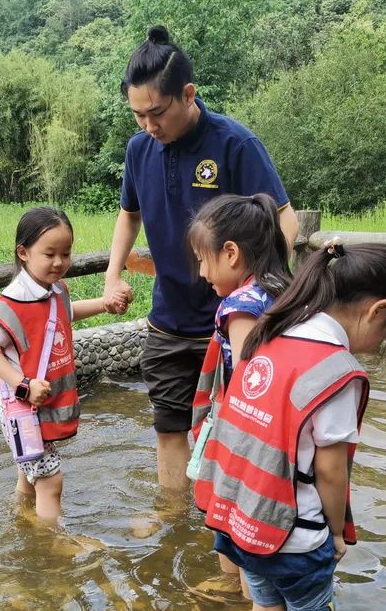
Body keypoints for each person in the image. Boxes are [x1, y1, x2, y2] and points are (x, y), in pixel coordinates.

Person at [194, 240, 386, 611]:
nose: (381, 345)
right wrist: (336, 535)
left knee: (266, 608)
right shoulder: (335, 370)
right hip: (295, 534)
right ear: (378, 310)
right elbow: (332, 471)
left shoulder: (270, 334)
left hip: (243, 520)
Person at [103, 24, 299, 490]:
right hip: (169, 319)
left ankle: (226, 522)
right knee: (169, 428)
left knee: (240, 428)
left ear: (188, 94)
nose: (149, 126)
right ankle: (173, 520)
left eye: (156, 113)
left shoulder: (234, 144)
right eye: (138, 116)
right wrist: (113, 274)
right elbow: (128, 215)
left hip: (235, 321)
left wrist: (257, 290)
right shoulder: (139, 150)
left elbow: (285, 221)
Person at [0, 206, 112, 522]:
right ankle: (51, 549)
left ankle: (21, 520)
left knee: (30, 475)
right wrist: (22, 384)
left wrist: (105, 305)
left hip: (40, 404)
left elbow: (67, 311)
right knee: (51, 481)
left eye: (65, 253)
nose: (59, 262)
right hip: (19, 406)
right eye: (49, 253)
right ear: (23, 252)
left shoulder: (55, 291)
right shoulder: (10, 304)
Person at [186, 193, 291, 582]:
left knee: (228, 509)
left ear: (230, 253)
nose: (201, 272)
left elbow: (253, 383)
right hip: (281, 433)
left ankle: (233, 587)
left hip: (247, 433)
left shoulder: (241, 307)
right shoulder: (282, 289)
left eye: (203, 259)